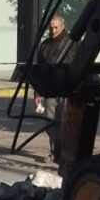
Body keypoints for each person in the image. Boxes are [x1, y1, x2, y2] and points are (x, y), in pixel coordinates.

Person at [34, 14, 72, 163]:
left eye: (56, 27)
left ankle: (63, 153)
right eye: (51, 28)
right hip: (50, 90)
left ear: (63, 26)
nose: (53, 30)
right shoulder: (44, 45)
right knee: (50, 122)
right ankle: (54, 151)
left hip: (67, 90)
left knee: (64, 122)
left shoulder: (72, 43)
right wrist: (37, 92)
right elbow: (40, 70)